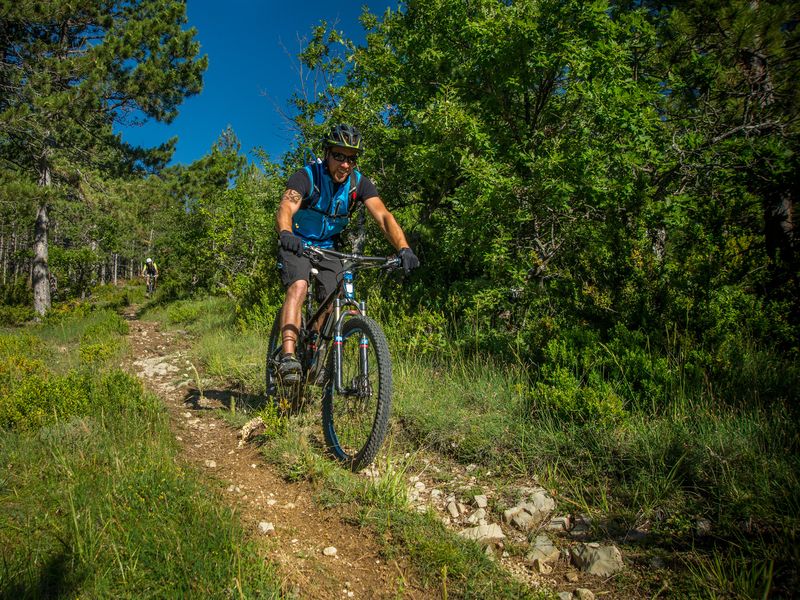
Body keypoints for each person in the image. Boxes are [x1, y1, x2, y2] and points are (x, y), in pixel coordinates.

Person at [275, 123, 419, 382]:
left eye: (351, 159)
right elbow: (287, 206)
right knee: (298, 286)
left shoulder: (358, 184)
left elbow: (384, 217)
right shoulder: (307, 176)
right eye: (339, 156)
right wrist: (286, 233)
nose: (344, 164)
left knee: (334, 298)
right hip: (297, 242)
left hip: (328, 248)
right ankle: (287, 357)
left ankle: (314, 352)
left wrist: (403, 248)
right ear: (327, 154)